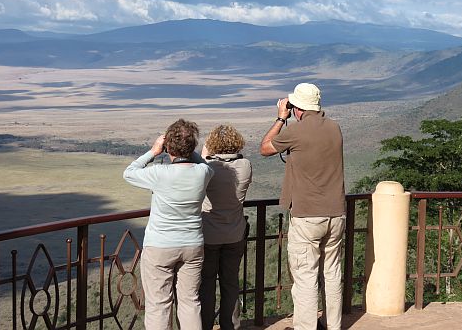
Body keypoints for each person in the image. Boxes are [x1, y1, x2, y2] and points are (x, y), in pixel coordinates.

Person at [259, 83, 346, 330]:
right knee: (332, 274)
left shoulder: (296, 131)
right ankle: (333, 325)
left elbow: (265, 148)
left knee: (306, 277)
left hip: (308, 216)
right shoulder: (335, 128)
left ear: (296, 108)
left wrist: (279, 118)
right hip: (336, 213)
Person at [123, 119, 214, 330]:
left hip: (160, 246)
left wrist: (153, 152)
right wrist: (190, 150)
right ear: (192, 147)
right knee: (190, 302)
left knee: (158, 305)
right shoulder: (203, 173)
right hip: (192, 245)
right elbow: (205, 165)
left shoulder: (159, 173)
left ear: (168, 147)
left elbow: (129, 172)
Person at [199, 124, 252, 330]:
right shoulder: (245, 165)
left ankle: (205, 325)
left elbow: (199, 176)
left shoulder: (207, 168)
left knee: (207, 284)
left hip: (209, 234)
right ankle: (231, 326)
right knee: (230, 283)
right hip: (235, 233)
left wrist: (205, 155)